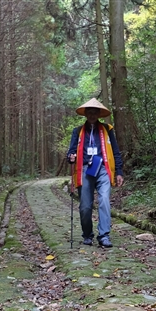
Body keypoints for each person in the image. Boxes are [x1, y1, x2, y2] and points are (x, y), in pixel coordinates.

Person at [67, 98, 124, 248]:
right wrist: (71, 157)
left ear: (99, 114)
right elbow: (71, 152)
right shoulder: (78, 131)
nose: (92, 115)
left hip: (103, 168)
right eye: (89, 112)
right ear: (85, 114)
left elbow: (116, 152)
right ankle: (87, 234)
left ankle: (104, 235)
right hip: (85, 169)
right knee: (85, 206)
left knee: (104, 199)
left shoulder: (108, 130)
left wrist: (119, 172)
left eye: (95, 112)